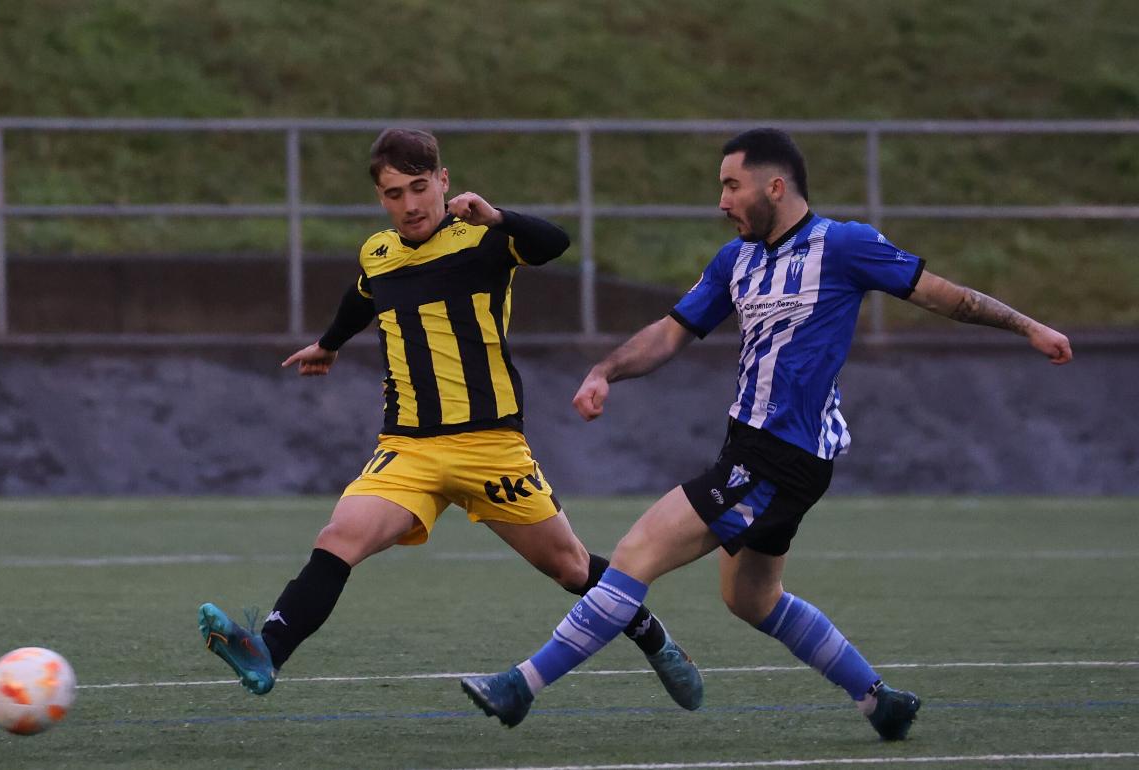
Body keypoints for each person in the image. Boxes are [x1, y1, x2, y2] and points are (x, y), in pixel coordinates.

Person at [461, 127, 1073, 740]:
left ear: (774, 186)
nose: (722, 200)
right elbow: (672, 331)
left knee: (636, 552)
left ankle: (523, 686)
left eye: (732, 185)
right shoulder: (737, 260)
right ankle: (878, 700)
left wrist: (1030, 329)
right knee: (751, 600)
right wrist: (606, 370)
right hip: (754, 448)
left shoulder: (844, 245)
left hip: (782, 453)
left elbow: (949, 298)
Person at [196, 128, 703, 711]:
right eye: (393, 194)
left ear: (443, 181)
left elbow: (554, 244)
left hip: (491, 446)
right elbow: (363, 296)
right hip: (408, 447)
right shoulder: (377, 252)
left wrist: (499, 216)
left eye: (419, 187)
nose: (409, 205)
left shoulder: (484, 240)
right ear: (380, 197)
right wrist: (330, 344)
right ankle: (267, 651)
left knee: (568, 567)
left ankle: (655, 639)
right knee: (338, 538)